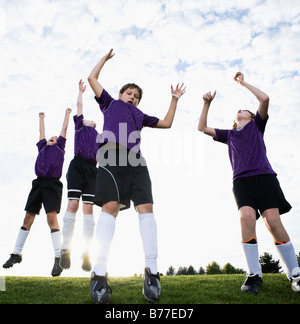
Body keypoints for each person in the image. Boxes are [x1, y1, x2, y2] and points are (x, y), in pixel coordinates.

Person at [88, 49, 186, 304]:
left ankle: (152, 273)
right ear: (121, 95)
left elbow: (166, 123)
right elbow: (92, 79)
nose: (132, 97)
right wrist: (104, 60)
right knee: (110, 207)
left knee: (147, 208)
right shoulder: (110, 103)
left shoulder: (140, 116)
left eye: (136, 96)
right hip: (111, 156)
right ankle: (99, 275)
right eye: (129, 93)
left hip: (136, 161)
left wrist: (174, 99)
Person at [198, 72, 300, 294]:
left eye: (245, 109)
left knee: (272, 221)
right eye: (239, 110)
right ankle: (254, 275)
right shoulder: (230, 135)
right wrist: (206, 104)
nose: (240, 110)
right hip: (242, 182)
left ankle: (295, 274)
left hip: (265, 178)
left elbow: (264, 100)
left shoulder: (257, 127)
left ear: (252, 117)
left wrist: (242, 83)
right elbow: (202, 128)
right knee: (245, 217)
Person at [3, 108, 72, 277]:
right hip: (38, 183)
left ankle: (58, 258)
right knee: (28, 218)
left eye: (55, 138)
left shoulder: (60, 147)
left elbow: (64, 130)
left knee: (51, 218)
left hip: (53, 184)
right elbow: (41, 132)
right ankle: (16, 254)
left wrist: (67, 115)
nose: (53, 137)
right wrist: (41, 118)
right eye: (51, 137)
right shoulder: (42, 146)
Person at [60, 80, 99, 272]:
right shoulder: (80, 127)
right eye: (90, 119)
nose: (93, 121)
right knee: (73, 204)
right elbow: (80, 106)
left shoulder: (100, 137)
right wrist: (81, 92)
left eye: (94, 121)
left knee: (88, 208)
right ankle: (66, 249)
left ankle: (86, 253)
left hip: (93, 170)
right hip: (77, 166)